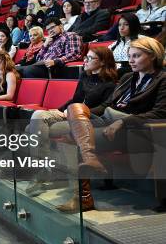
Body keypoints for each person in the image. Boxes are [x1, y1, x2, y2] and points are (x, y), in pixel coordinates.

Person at [58, 38, 166, 212]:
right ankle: (90, 160)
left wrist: (122, 121)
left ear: (152, 56)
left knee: (81, 139)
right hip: (108, 118)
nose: (130, 60)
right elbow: (111, 104)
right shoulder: (128, 77)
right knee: (75, 108)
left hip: (132, 130)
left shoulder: (162, 80)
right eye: (130, 56)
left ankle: (82, 198)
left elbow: (160, 113)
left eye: (136, 56)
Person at [26, 47, 118, 197]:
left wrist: (74, 113)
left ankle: (43, 171)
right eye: (86, 57)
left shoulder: (111, 84)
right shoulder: (85, 77)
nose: (85, 61)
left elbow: (103, 108)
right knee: (38, 115)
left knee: (32, 128)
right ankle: (44, 170)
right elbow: (75, 99)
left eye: (90, 58)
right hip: (71, 114)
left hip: (88, 120)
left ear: (102, 62)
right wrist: (59, 110)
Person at [18, 18, 83, 79]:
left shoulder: (70, 35)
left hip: (53, 68)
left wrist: (56, 61)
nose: (50, 31)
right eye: (48, 29)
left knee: (27, 70)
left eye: (52, 27)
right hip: (41, 65)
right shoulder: (50, 40)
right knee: (14, 70)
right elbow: (38, 58)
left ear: (60, 26)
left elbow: (75, 54)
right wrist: (45, 45)